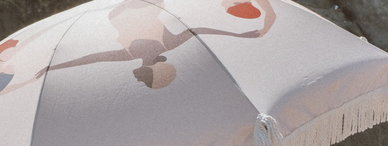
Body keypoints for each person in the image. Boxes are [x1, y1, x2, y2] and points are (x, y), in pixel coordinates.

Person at [34, 0, 276, 89]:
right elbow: (199, 30)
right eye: (146, 76)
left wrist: (55, 67)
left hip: (120, 11)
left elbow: (94, 57)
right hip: (144, 6)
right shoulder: (168, 44)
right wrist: (238, 35)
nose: (139, 74)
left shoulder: (129, 54)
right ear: (155, 67)